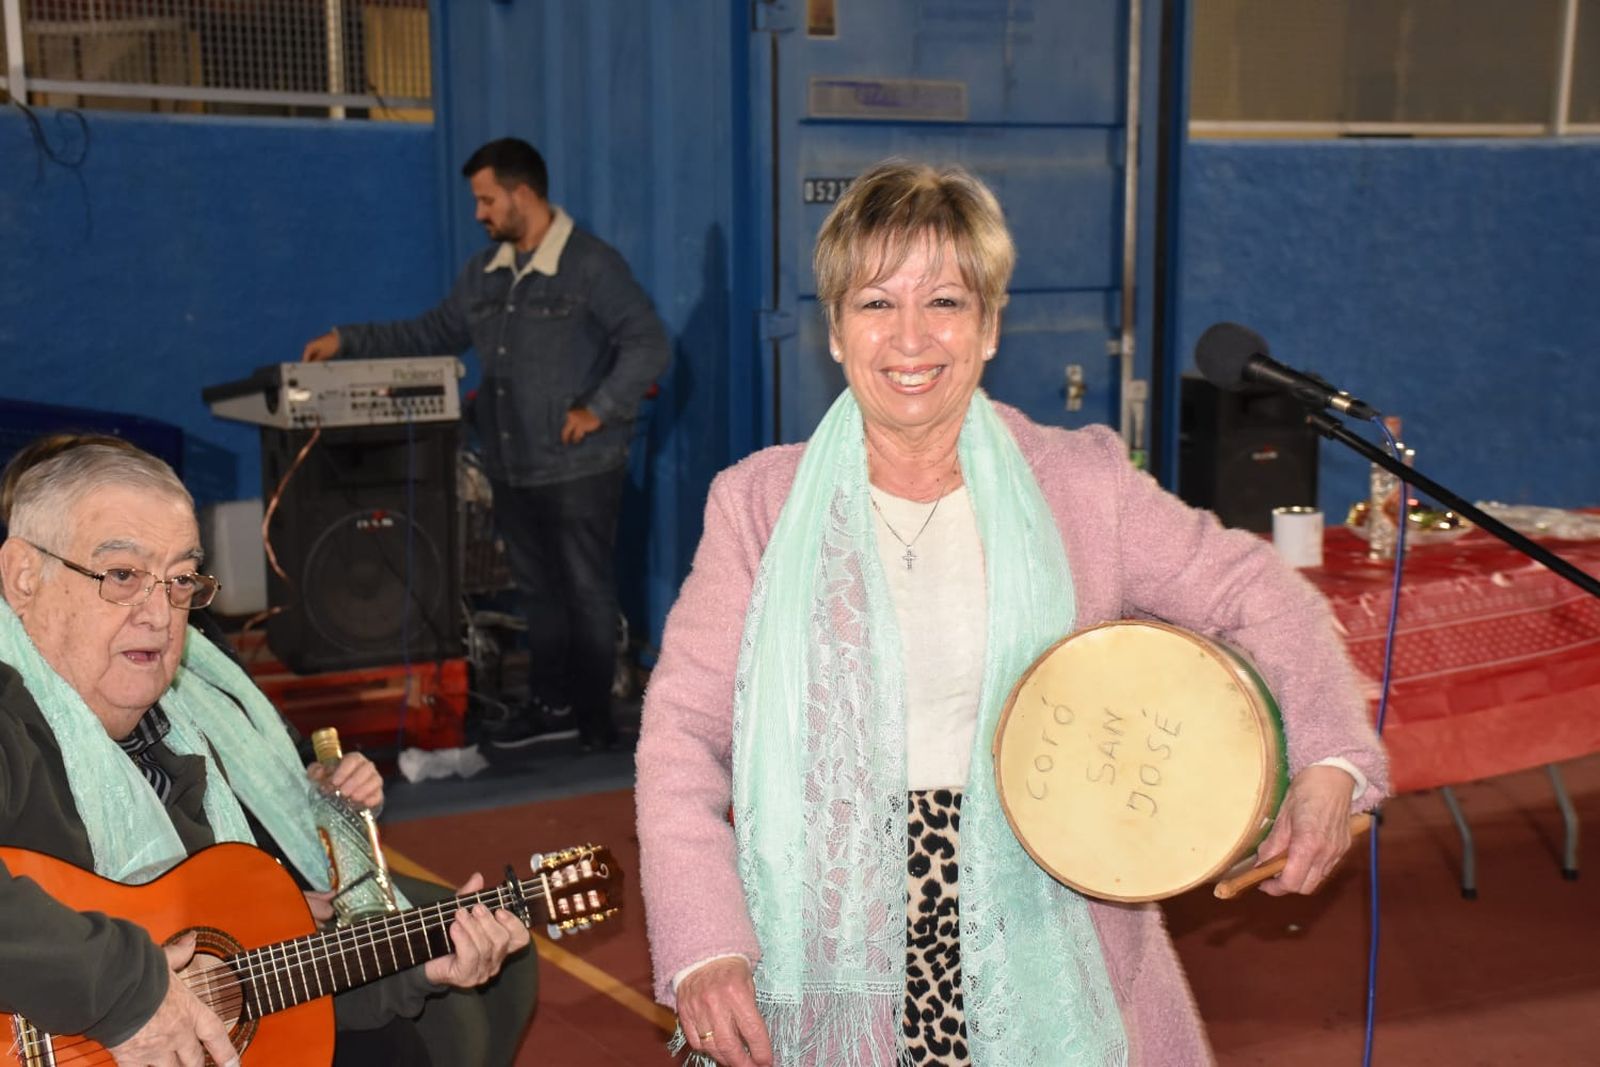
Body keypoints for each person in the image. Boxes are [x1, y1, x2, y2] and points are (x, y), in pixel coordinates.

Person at [634, 160, 1388, 1066]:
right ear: (834, 331)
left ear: (989, 326)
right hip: (827, 939)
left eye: (945, 301)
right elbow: (681, 735)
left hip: (1048, 923)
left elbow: (1259, 592)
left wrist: (1330, 756)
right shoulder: (757, 504)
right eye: (876, 303)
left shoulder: (1081, 482)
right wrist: (707, 945)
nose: (911, 337)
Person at [0, 441, 535, 1065]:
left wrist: (418, 968)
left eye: (179, 581)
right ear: (23, 576)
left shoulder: (174, 738)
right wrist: (125, 989)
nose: (159, 614)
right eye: (122, 576)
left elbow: (256, 978)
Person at [302, 136, 670, 754]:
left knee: (584, 588)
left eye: (486, 200)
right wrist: (348, 341)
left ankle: (596, 720)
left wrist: (596, 410)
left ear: (522, 194)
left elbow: (648, 343)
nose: (479, 214)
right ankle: (550, 704)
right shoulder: (484, 274)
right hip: (511, 462)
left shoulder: (590, 267)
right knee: (538, 593)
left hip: (580, 467)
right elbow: (433, 331)